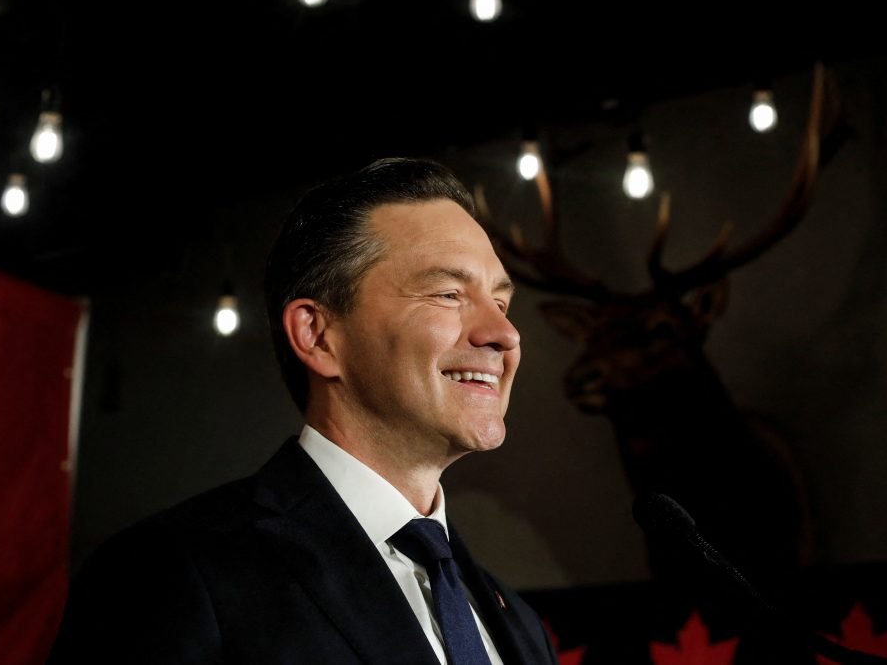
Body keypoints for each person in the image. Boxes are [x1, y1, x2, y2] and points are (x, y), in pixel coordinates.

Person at [47, 158, 559, 664]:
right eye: (448, 294)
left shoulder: (518, 623)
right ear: (318, 336)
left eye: (502, 303)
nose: (505, 334)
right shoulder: (167, 573)